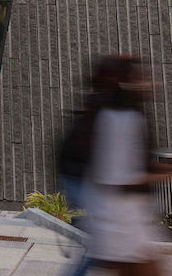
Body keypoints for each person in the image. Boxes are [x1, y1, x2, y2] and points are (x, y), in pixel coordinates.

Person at [83, 54, 168, 276]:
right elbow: (122, 179)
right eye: (142, 77)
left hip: (127, 216)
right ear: (125, 84)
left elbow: (135, 167)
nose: (150, 82)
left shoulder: (126, 116)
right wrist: (165, 174)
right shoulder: (120, 120)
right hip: (121, 219)